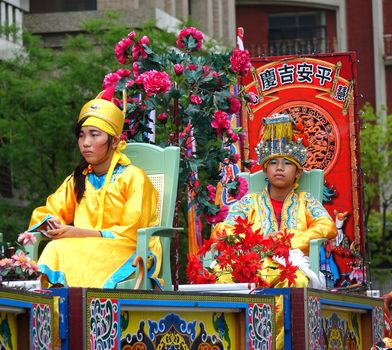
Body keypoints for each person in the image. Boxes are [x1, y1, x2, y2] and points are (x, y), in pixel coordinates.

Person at [212, 113, 337, 349]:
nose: (280, 168)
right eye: (273, 163)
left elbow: (327, 226)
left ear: (298, 172)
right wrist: (252, 243)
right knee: (221, 277)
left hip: (291, 265)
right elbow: (223, 230)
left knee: (297, 282)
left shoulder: (305, 200)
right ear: (265, 169)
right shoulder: (249, 202)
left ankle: (275, 343)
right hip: (252, 263)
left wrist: (287, 240)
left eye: (287, 163)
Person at [27, 89, 161, 289]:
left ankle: (89, 311)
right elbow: (48, 210)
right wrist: (51, 223)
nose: (86, 143)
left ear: (115, 141)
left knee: (62, 249)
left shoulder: (134, 177)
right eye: (81, 136)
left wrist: (77, 232)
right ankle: (59, 312)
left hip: (127, 249)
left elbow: (131, 233)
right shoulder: (79, 179)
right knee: (56, 247)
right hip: (87, 248)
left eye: (94, 135)